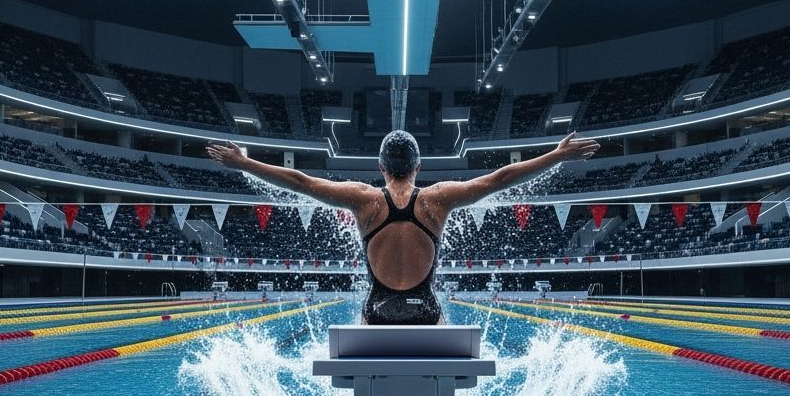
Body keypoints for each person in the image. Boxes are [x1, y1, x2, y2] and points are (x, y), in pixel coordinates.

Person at [207, 128, 599, 325]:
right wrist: (557, 155)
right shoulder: (436, 199)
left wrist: (244, 162)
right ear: (418, 167)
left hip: (375, 308)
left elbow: (301, 182)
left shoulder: (363, 199)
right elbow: (501, 178)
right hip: (426, 310)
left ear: (380, 167)